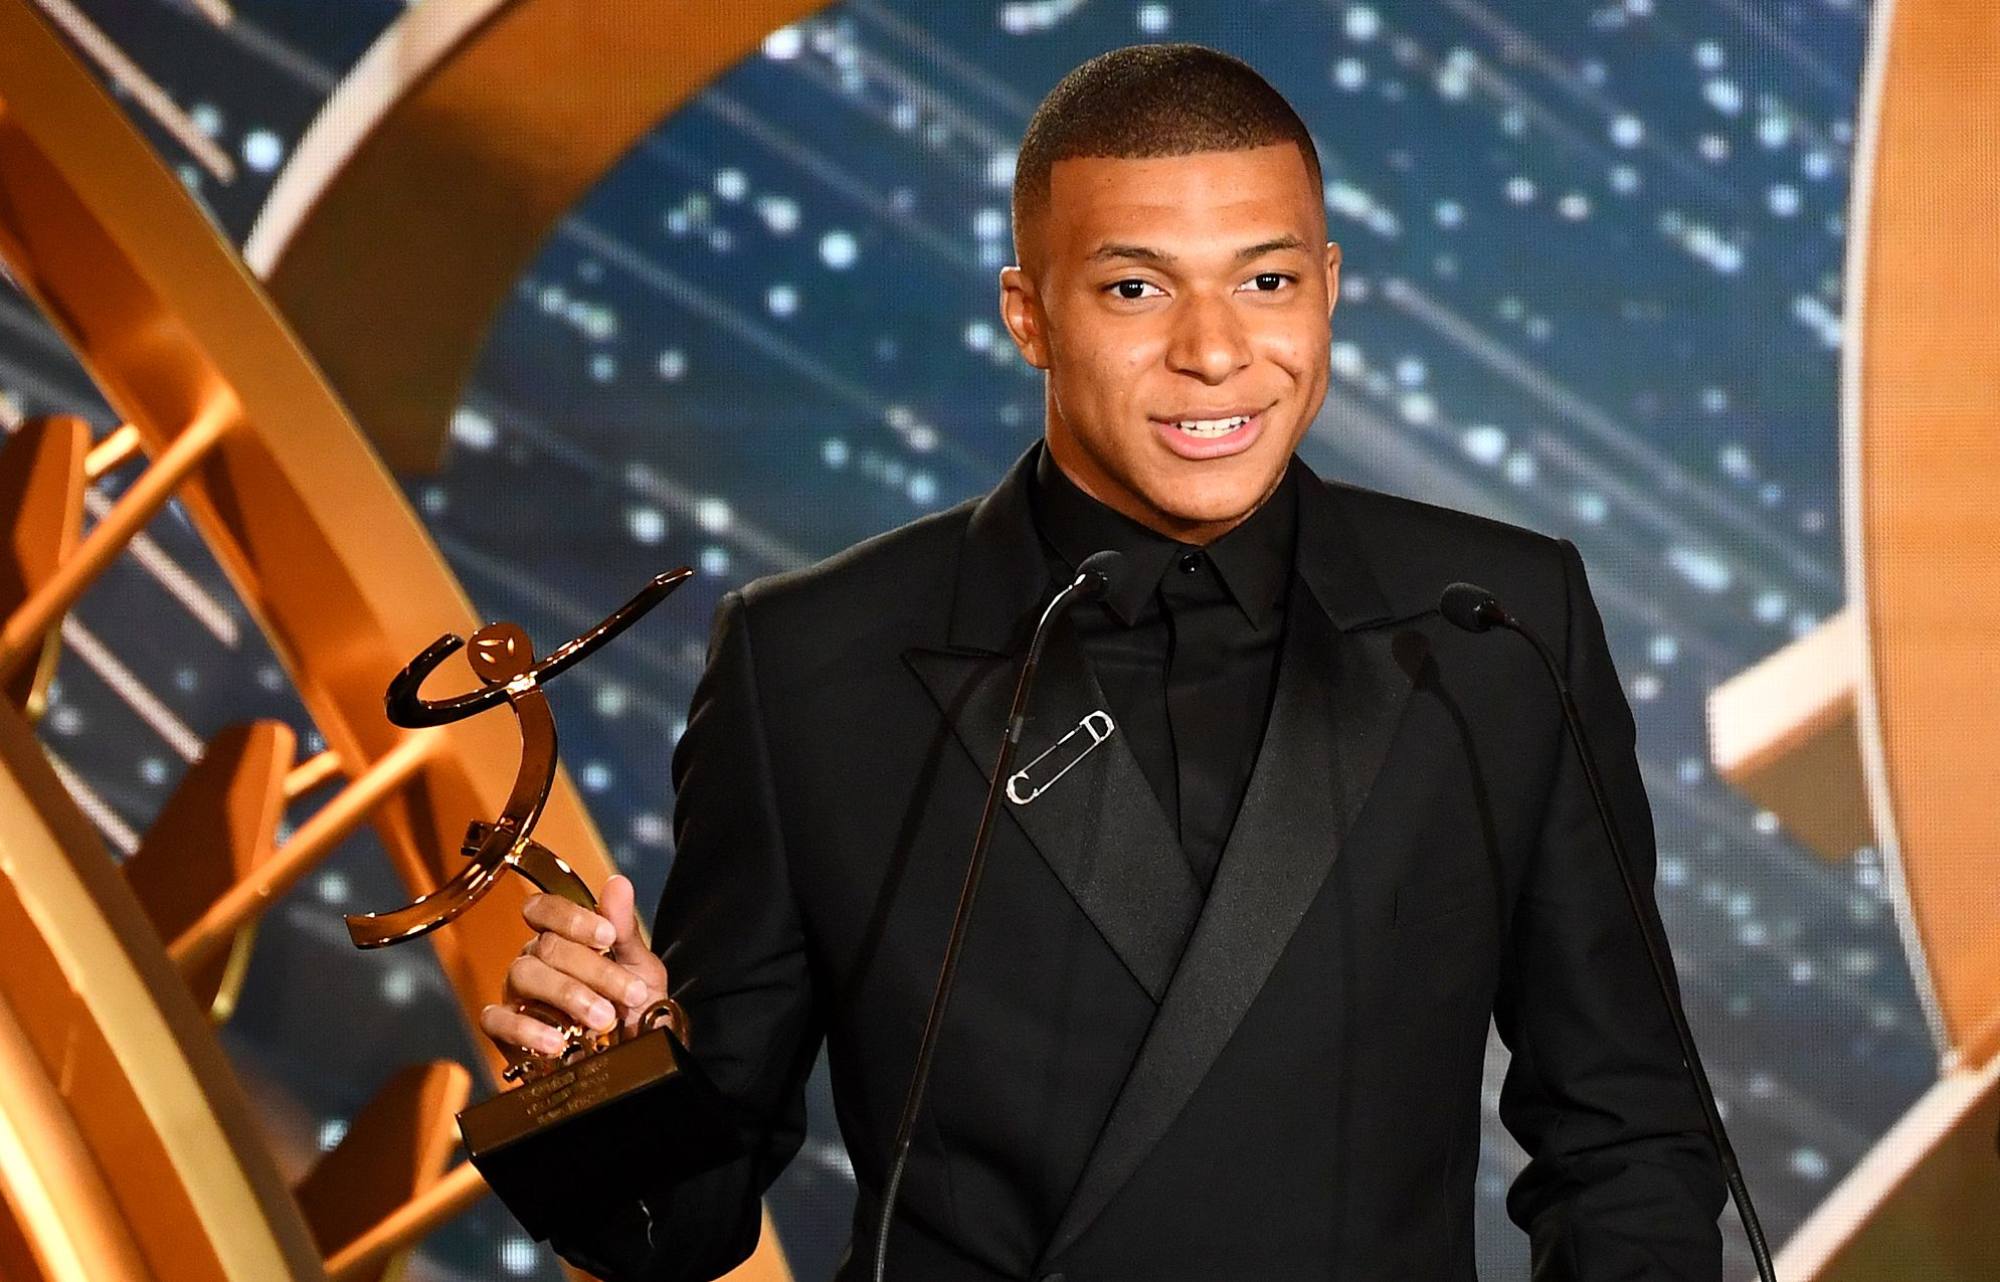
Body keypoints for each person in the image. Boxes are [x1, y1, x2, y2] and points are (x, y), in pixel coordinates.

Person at [478, 43, 1726, 1282]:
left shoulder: (1495, 621)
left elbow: (1624, 1134)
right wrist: (598, 1083)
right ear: (1027, 313)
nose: (1215, 351)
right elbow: (676, 1232)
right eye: (1134, 290)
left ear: (1329, 286)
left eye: (1267, 281)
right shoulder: (810, 660)